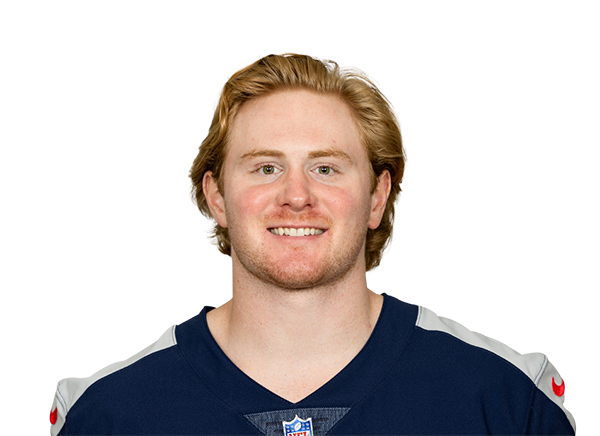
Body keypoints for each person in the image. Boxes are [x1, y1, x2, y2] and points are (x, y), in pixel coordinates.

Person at [50, 53, 575, 435]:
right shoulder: (110, 410)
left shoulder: (502, 396)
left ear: (375, 197)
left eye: (325, 168)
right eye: (266, 167)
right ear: (216, 197)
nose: (296, 196)